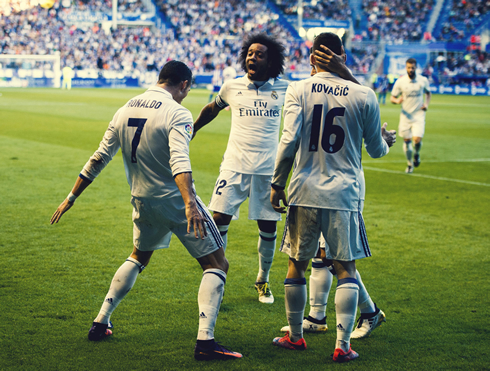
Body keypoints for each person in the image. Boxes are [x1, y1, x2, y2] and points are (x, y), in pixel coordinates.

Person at [50, 61, 242, 361]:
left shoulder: (125, 108)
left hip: (141, 199)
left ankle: (100, 322)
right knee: (217, 263)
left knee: (139, 255)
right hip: (175, 200)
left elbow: (100, 156)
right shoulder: (177, 111)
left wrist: (71, 196)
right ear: (184, 85)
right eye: (187, 90)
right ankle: (206, 342)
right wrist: (191, 203)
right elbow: (180, 161)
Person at [270, 32, 396, 363]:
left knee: (297, 262)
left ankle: (297, 337)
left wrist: (276, 183)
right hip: (344, 192)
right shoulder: (364, 94)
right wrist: (386, 139)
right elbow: (377, 150)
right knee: (346, 267)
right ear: (343, 56)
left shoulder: (298, 89)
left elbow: (288, 140)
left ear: (312, 57)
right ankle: (343, 346)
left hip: (304, 188)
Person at [192, 33, 290, 304]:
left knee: (268, 224)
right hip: (234, 166)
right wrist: (193, 129)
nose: (252, 57)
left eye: (259, 54)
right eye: (250, 53)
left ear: (270, 61)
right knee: (218, 220)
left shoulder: (285, 89)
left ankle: (263, 279)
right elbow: (212, 108)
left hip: (267, 170)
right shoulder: (232, 87)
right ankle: (216, 279)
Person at [390, 58, 431, 174]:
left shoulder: (423, 80)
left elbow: (428, 93)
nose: (411, 70)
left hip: (418, 115)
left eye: (412, 67)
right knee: (407, 141)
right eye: (408, 67)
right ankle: (409, 164)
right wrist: (397, 101)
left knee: (417, 140)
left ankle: (416, 154)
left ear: (416, 68)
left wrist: (426, 104)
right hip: (405, 116)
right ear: (406, 68)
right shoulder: (401, 82)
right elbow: (392, 97)